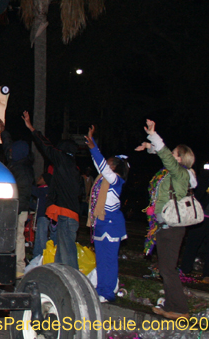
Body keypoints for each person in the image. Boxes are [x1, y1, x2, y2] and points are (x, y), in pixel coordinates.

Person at [136, 119, 194, 320]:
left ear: (179, 158)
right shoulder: (176, 173)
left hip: (171, 228)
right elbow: (163, 157)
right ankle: (171, 306)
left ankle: (180, 309)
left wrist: (153, 134)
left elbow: (165, 155)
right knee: (166, 269)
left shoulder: (179, 173)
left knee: (168, 270)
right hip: (165, 226)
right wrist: (149, 147)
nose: (171, 155)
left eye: (174, 153)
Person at [22, 110, 80, 270]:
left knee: (67, 252)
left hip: (67, 215)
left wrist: (32, 129)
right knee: (62, 251)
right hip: (66, 214)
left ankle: (75, 283)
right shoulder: (72, 168)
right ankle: (62, 278)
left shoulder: (63, 161)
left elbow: (46, 146)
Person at [84, 125, 128, 303]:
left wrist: (94, 147)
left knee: (109, 260)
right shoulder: (104, 179)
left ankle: (108, 292)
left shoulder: (116, 180)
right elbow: (99, 164)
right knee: (101, 260)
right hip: (101, 222)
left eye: (109, 163)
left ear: (115, 167)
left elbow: (102, 165)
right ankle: (101, 289)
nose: (105, 165)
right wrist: (92, 144)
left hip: (112, 223)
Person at [0, 119, 33, 277]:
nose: (9, 152)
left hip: (18, 209)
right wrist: (3, 131)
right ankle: (6, 264)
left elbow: (24, 194)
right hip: (11, 207)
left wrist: (15, 211)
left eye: (12, 152)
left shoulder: (23, 171)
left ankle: (19, 269)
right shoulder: (16, 162)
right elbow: (7, 145)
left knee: (17, 237)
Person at [31, 172, 52, 259]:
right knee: (39, 236)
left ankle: (43, 255)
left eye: (41, 178)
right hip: (41, 216)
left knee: (42, 237)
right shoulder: (43, 190)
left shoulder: (44, 190)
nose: (38, 179)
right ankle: (37, 256)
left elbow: (33, 190)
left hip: (43, 216)